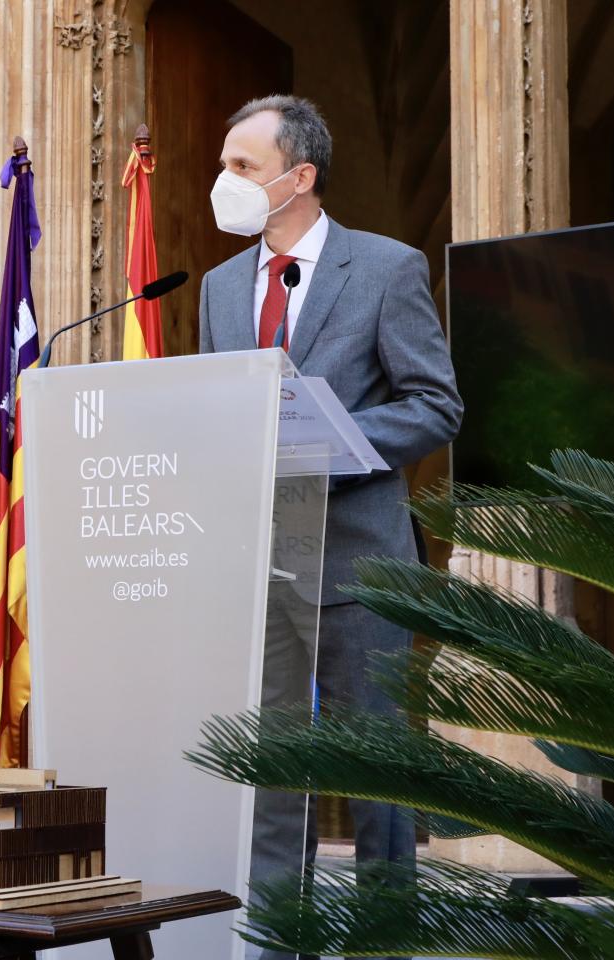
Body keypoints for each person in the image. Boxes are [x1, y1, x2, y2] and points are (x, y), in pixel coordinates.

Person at [197, 95, 462, 960]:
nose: (224, 183)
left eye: (243, 166)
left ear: (298, 177)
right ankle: (276, 940)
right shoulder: (218, 287)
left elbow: (435, 406)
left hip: (359, 566)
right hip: (260, 569)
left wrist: (336, 438)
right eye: (226, 165)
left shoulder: (385, 268)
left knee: (377, 774)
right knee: (273, 774)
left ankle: (382, 943)